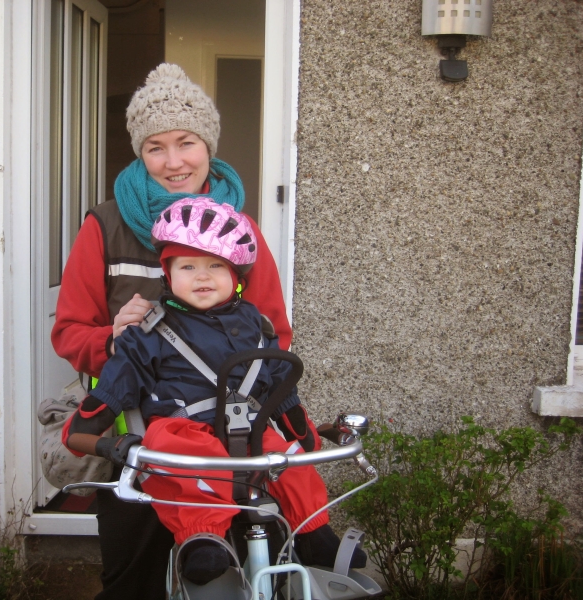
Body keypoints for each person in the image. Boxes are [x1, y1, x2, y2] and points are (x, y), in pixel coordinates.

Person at [51, 63, 291, 599]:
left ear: (208, 145)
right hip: (133, 444)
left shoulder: (238, 231)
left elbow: (275, 332)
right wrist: (115, 340)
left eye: (186, 142)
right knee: (133, 579)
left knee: (238, 572)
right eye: (155, 147)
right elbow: (68, 333)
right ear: (140, 153)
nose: (174, 161)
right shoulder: (106, 225)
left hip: (231, 442)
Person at [63, 197, 367, 586]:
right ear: (167, 274)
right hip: (184, 428)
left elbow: (276, 381)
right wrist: (87, 423)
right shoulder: (150, 330)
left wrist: (300, 431)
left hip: (250, 426)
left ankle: (314, 534)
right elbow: (119, 380)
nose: (202, 276)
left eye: (215, 266)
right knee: (183, 456)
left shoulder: (257, 323)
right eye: (187, 266)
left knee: (289, 461)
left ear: (236, 274)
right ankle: (203, 538)